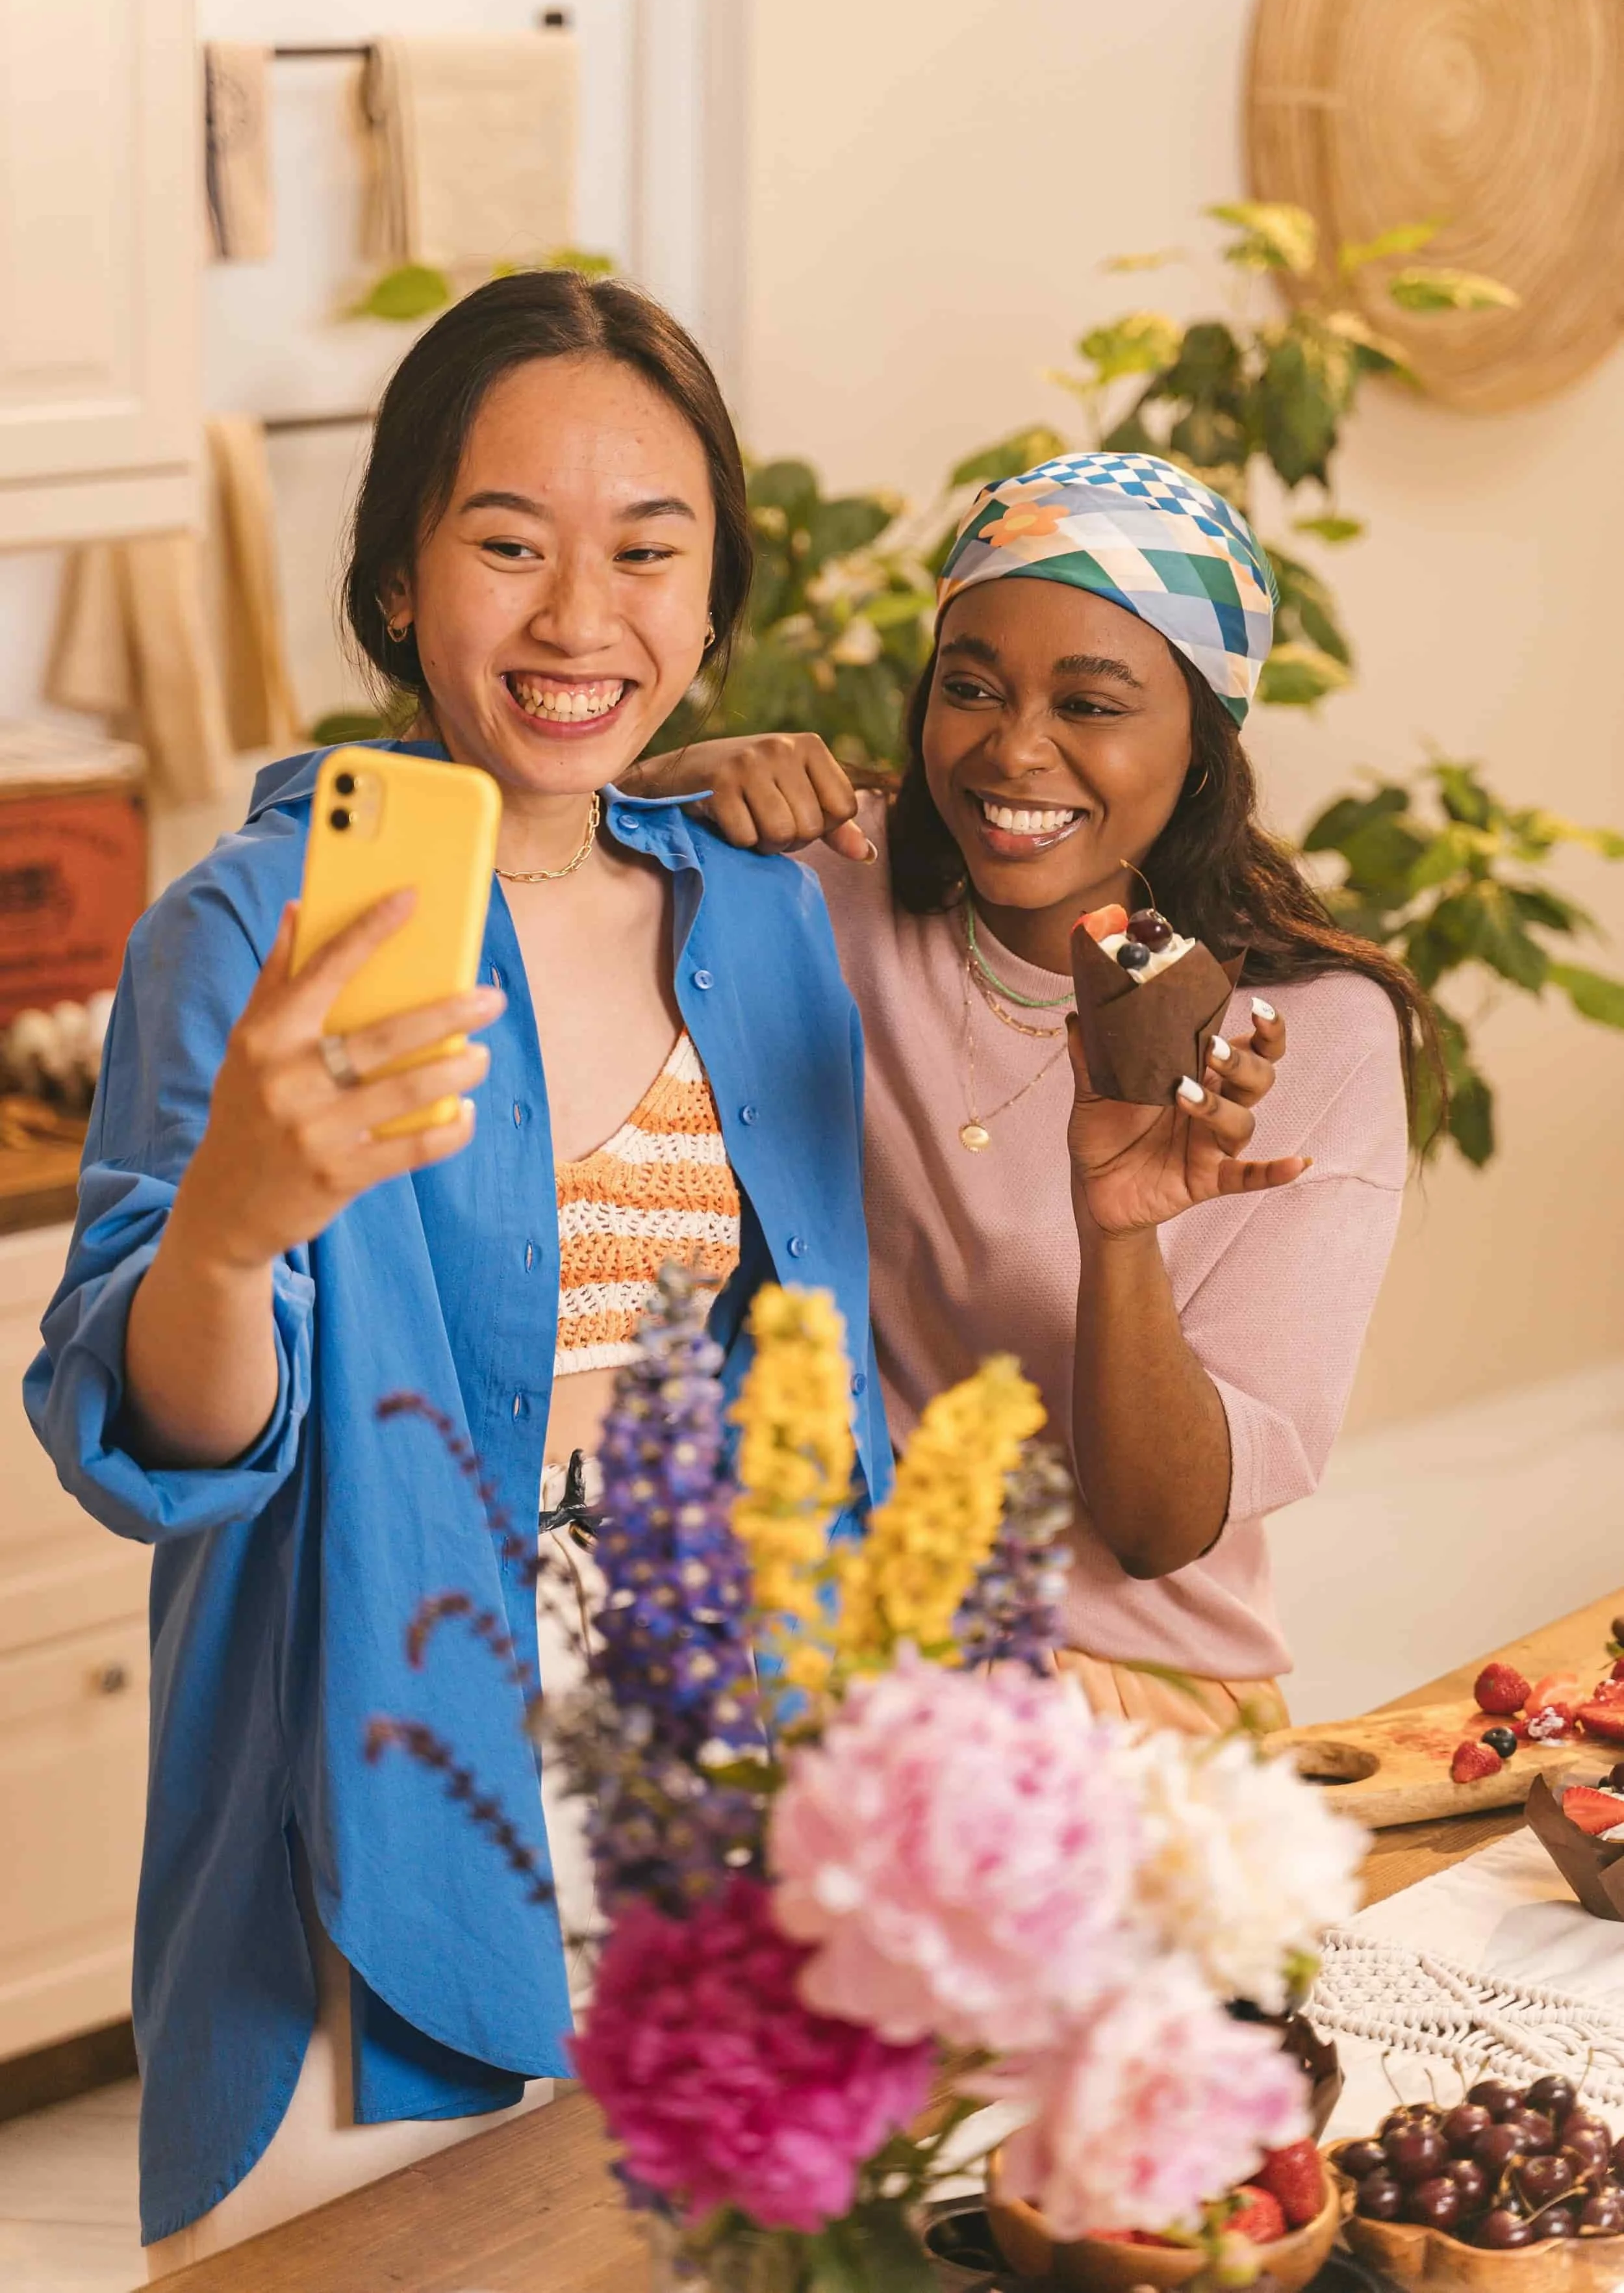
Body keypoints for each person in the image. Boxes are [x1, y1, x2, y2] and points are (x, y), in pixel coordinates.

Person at [26, 272, 889, 2266]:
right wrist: (231, 1224)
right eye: (509, 543)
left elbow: (824, 1398)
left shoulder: (765, 920)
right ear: (402, 577)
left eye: (646, 553)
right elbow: (153, 1435)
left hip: (728, 1797)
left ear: (710, 594)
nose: (582, 618)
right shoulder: (250, 928)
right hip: (380, 1775)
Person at [628, 451, 1434, 1732]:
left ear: (1201, 741)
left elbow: (1158, 1527)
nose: (1013, 751)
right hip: (823, 1670)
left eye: (1092, 705)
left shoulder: (1314, 1037)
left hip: (1126, 1698)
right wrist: (657, 782)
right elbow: (507, 863)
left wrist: (1118, 1228)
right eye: (971, 688)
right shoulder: (820, 893)